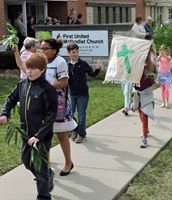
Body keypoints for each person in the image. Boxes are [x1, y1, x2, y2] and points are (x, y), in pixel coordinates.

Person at [0, 53, 58, 200]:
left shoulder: (47, 90)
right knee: (26, 161)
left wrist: (38, 136)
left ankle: (44, 196)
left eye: (33, 69)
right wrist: (4, 112)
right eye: (28, 68)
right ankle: (47, 175)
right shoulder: (23, 85)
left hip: (41, 137)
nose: (29, 71)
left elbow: (50, 116)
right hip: (26, 134)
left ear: (42, 70)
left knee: (40, 167)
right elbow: (11, 98)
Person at [40, 38, 75, 176]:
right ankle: (46, 168)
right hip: (43, 103)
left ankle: (68, 163)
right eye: (41, 48)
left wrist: (46, 88)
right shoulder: (41, 61)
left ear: (54, 50)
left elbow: (64, 82)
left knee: (61, 135)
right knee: (44, 135)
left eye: (45, 49)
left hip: (58, 104)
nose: (42, 51)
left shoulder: (60, 62)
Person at [67, 42, 103, 143]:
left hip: (82, 94)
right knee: (70, 114)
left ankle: (82, 135)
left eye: (77, 52)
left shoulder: (83, 64)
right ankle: (76, 130)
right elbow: (66, 80)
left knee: (81, 115)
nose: (76, 54)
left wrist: (98, 68)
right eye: (73, 52)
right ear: (69, 53)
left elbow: (93, 74)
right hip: (72, 94)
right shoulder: (67, 65)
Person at [132, 49, 156, 148]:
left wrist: (150, 78)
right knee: (141, 116)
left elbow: (152, 81)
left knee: (144, 115)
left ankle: (144, 139)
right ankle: (146, 130)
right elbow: (133, 81)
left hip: (146, 96)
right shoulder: (136, 66)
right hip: (138, 95)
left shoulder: (150, 68)